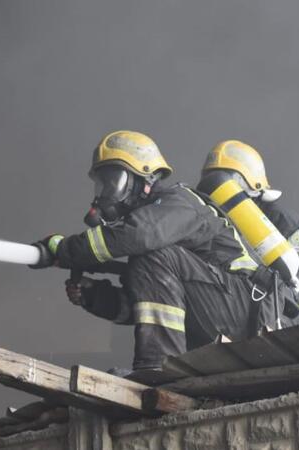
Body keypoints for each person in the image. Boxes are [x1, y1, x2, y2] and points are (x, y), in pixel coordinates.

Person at [30, 130, 277, 372]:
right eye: (102, 185)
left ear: (144, 179)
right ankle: (164, 367)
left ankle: (159, 368)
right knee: (147, 263)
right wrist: (96, 297)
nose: (104, 194)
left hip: (247, 309)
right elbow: (153, 307)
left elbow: (140, 235)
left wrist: (63, 249)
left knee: (153, 255)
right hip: (225, 312)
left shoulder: (179, 202)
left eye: (113, 182)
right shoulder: (154, 252)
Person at [196, 140, 299, 322]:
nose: (217, 191)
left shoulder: (284, 223)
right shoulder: (216, 219)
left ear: (251, 185)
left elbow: (294, 287)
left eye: (222, 183)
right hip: (259, 303)